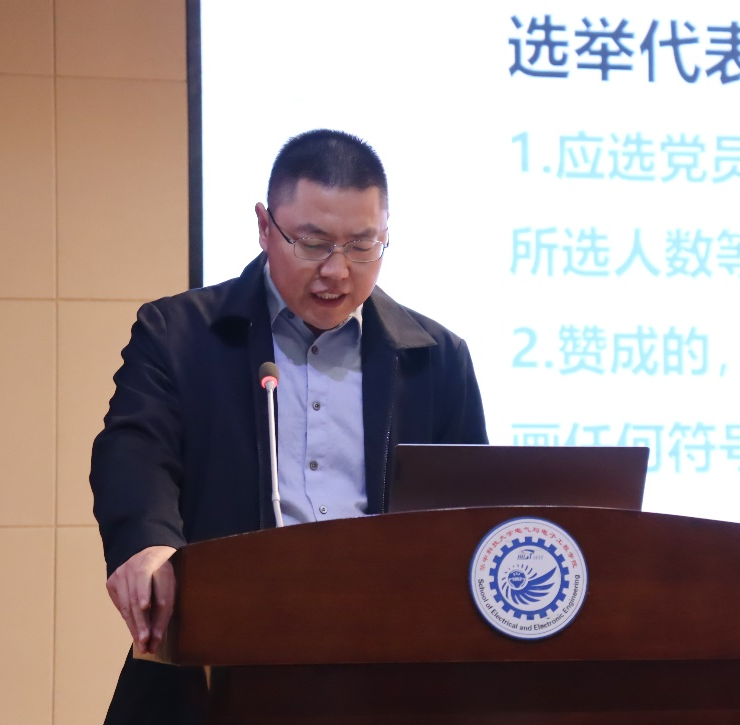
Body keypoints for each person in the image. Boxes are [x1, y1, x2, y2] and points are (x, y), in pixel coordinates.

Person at [90, 129, 488, 722]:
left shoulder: (435, 358)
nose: (337, 270)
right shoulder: (179, 335)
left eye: (363, 246)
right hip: (218, 667)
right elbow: (135, 449)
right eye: (313, 243)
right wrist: (147, 543)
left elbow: (472, 511)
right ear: (264, 226)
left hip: (387, 674)